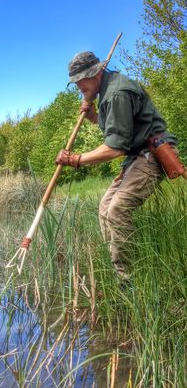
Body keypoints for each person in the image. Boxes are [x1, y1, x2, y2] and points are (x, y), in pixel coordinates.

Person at [56, 51, 176, 281]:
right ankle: (115, 268)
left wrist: (75, 159)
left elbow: (115, 147)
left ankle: (128, 279)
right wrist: (93, 116)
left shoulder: (117, 93)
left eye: (82, 78)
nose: (79, 85)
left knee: (117, 209)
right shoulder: (107, 92)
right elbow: (118, 128)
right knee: (104, 209)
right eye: (76, 81)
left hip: (152, 154)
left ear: (96, 72)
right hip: (136, 156)